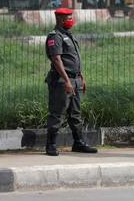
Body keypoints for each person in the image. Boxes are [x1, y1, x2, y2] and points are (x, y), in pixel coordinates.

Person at [44, 8, 97, 156]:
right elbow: (56, 59)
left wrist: (81, 76)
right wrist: (67, 81)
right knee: (57, 113)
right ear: (60, 19)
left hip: (75, 79)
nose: (71, 20)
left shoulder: (69, 35)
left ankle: (78, 143)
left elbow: (74, 59)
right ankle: (51, 145)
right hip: (62, 80)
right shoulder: (55, 36)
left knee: (75, 113)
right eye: (68, 17)